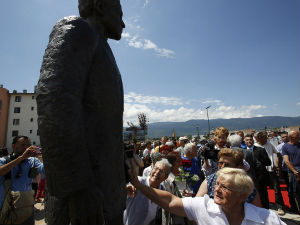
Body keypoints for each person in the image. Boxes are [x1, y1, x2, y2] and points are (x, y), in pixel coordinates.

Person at [36, 0, 126, 224]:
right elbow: (53, 103)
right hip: (82, 200)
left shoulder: (104, 49)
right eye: (120, 13)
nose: (123, 23)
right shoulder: (77, 30)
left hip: (106, 196)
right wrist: (77, 189)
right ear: (101, 5)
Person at [128, 166, 286, 225]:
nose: (216, 189)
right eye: (216, 184)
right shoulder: (203, 206)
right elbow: (170, 201)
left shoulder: (268, 219)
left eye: (224, 187)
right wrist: (138, 184)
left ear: (243, 195)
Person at [0, 136, 44, 225]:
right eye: (22, 145)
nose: (26, 148)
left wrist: (47, 155)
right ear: (13, 146)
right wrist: (21, 158)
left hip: (26, 208)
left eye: (28, 145)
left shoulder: (33, 161)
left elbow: (44, 170)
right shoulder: (4, 160)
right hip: (7, 208)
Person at [196, 148, 261, 207]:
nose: (222, 167)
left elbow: (258, 210)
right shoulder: (210, 180)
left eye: (227, 164)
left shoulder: (246, 184)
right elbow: (197, 203)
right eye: (220, 163)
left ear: (238, 167)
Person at [123, 159, 172, 225]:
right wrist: (127, 189)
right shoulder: (138, 181)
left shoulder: (162, 191)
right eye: (156, 168)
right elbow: (122, 190)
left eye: (161, 171)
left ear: (166, 177)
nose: (157, 172)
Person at [254, 131, 285, 214]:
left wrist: (278, 166)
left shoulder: (269, 144)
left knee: (276, 189)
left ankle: (280, 207)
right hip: (260, 172)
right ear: (259, 138)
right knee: (262, 190)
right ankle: (263, 206)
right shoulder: (255, 147)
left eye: (266, 137)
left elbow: (278, 154)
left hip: (271, 170)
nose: (266, 139)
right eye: (264, 138)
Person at [162, 151, 186, 225]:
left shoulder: (181, 172)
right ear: (171, 164)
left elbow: (186, 186)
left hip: (185, 207)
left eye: (180, 159)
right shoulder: (167, 179)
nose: (181, 162)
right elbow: (168, 199)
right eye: (178, 161)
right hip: (174, 213)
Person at [282, 130, 300, 213]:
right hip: (292, 172)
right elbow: (286, 161)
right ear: (291, 137)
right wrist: (294, 171)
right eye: (297, 136)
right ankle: (295, 208)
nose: (299, 137)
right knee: (293, 191)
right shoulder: (285, 147)